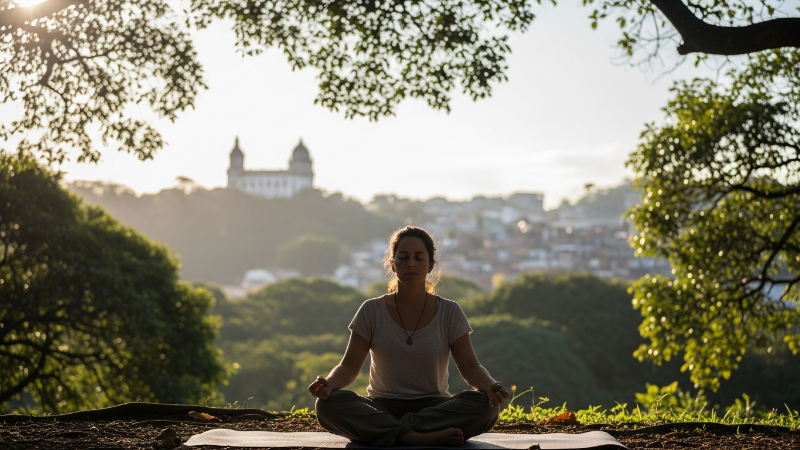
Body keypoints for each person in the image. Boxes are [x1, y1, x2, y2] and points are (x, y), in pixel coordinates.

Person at [309, 225, 510, 447]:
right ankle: (415, 436)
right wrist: (328, 383)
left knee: (486, 406)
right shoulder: (371, 310)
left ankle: (391, 430)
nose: (411, 264)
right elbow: (348, 367)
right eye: (403, 258)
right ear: (392, 265)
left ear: (431, 265)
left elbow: (470, 367)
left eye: (419, 258)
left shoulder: (449, 312)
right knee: (328, 405)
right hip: (382, 405)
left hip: (434, 408)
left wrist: (490, 386)